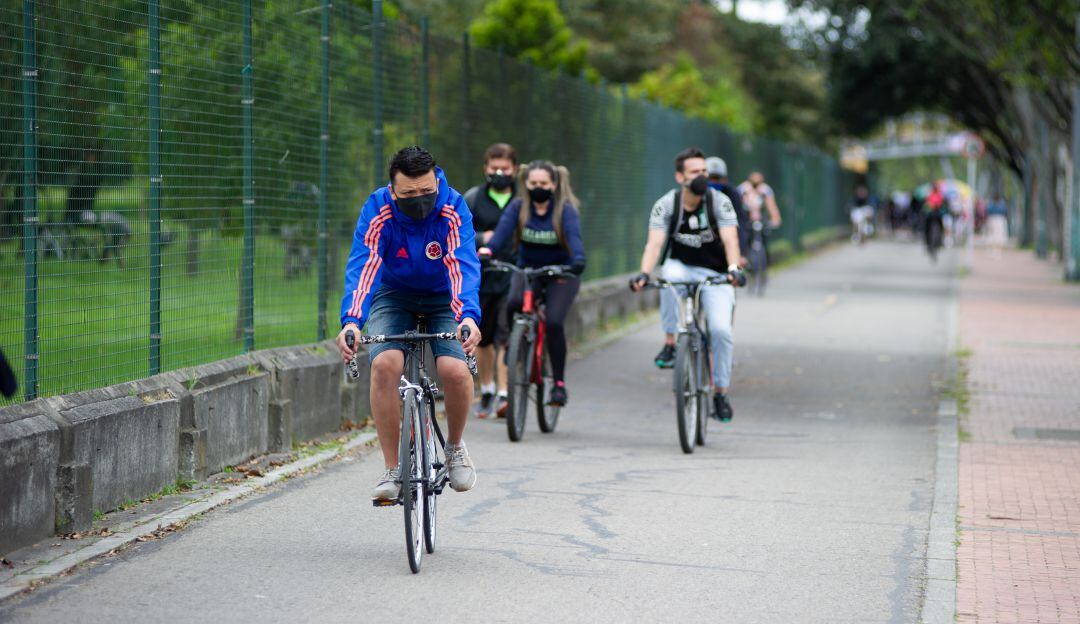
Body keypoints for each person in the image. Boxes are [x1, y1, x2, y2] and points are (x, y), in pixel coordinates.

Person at [335, 146, 481, 501]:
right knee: (385, 364)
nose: (419, 200)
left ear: (436, 181)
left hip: (444, 297)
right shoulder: (378, 209)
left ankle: (455, 448)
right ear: (392, 189)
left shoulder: (452, 207)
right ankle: (392, 470)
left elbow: (462, 263)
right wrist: (353, 321)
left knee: (455, 370)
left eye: (426, 192)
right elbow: (365, 263)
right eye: (408, 195)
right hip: (394, 295)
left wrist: (467, 317)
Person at [630, 147, 744, 421]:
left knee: (720, 331)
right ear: (680, 177)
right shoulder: (667, 204)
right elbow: (655, 243)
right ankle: (670, 342)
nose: (702, 176)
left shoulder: (720, 202)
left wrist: (733, 269)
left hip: (716, 273)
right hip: (682, 267)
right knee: (668, 277)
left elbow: (731, 240)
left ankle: (720, 393)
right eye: (695, 172)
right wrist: (644, 273)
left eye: (704, 171)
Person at [479, 160, 586, 407]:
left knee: (555, 323)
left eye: (543, 183)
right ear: (526, 184)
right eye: (534, 183)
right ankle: (514, 345)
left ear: (554, 184)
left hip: (561, 272)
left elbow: (575, 238)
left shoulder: (564, 209)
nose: (538, 187)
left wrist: (577, 260)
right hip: (529, 270)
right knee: (514, 301)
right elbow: (502, 234)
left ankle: (558, 385)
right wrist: (488, 251)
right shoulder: (519, 207)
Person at [463, 143, 518, 418]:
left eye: (505, 168)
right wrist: (485, 238)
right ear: (485, 168)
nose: (499, 173)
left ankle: (505, 394)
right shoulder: (473, 199)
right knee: (483, 339)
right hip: (481, 275)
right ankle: (486, 389)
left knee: (506, 335)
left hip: (512, 274)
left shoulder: (523, 198)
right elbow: (460, 234)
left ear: (515, 170)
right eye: (494, 168)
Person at [705, 156, 749, 268]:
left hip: (726, 242)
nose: (714, 182)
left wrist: (742, 253)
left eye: (717, 178)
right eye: (711, 178)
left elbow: (740, 222)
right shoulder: (697, 194)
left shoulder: (733, 194)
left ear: (724, 179)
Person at [737, 171, 782, 262]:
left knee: (764, 237)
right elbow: (738, 206)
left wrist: (775, 219)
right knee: (745, 238)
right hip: (746, 218)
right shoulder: (743, 189)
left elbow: (771, 206)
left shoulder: (765, 190)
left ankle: (766, 259)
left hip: (761, 218)